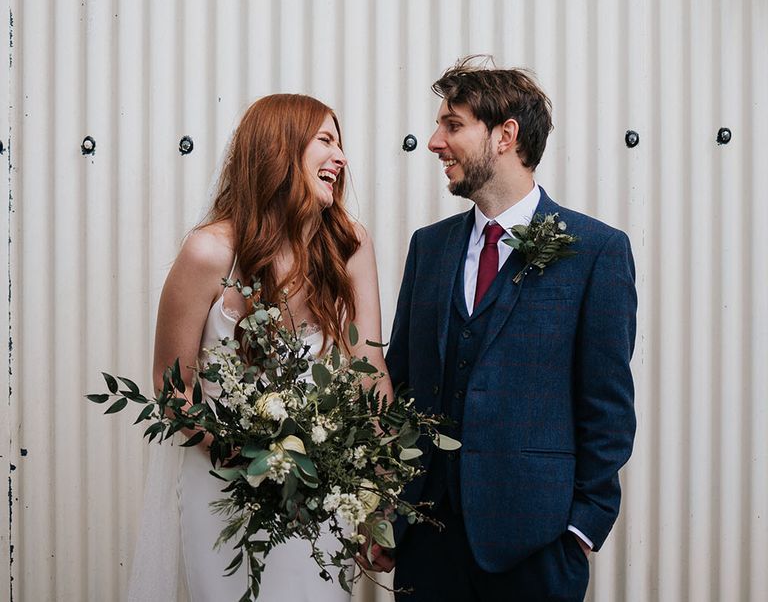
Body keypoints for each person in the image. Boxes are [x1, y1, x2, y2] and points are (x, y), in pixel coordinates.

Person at [375, 58, 637, 601]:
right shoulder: (430, 247)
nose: (433, 142)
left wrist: (580, 531)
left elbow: (606, 408)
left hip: (535, 549)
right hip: (426, 541)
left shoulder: (596, 252)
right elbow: (399, 386)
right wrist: (386, 509)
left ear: (505, 135)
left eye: (452, 125)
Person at [127, 93, 392, 602]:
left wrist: (374, 498)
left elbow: (369, 369)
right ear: (279, 149)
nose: (342, 158)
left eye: (341, 144)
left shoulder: (351, 245)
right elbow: (170, 386)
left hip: (320, 495)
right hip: (222, 489)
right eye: (326, 140)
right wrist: (244, 457)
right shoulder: (210, 252)